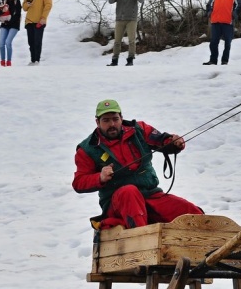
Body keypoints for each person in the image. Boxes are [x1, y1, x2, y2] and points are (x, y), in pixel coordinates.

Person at [73, 99, 204, 230]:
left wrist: (174, 142)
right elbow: (78, 182)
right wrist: (99, 178)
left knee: (190, 212)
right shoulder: (87, 149)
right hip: (118, 203)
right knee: (129, 191)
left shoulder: (138, 130)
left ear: (121, 118)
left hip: (151, 195)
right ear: (97, 122)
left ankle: (212, 242)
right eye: (106, 120)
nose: (112, 124)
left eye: (115, 119)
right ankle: (143, 241)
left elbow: (163, 140)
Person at [203, 0, 241, 66]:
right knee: (213, 42)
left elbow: (240, 6)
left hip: (228, 22)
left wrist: (234, 14)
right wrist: (209, 12)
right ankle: (213, 61)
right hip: (215, 21)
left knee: (227, 43)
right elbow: (209, 4)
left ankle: (224, 61)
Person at [107, 0, 144, 66]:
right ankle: (114, 61)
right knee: (117, 41)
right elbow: (110, 1)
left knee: (132, 40)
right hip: (120, 19)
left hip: (131, 19)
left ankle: (130, 60)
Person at [22, 0, 53, 66]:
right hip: (29, 21)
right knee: (31, 42)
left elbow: (48, 5)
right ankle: (32, 60)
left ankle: (37, 61)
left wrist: (44, 17)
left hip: (40, 20)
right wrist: (27, 4)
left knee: (37, 41)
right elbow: (24, 7)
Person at [0, 0, 21, 67]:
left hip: (14, 25)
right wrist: (0, 10)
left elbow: (17, 15)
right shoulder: (4, 1)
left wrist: (9, 21)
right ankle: (2, 62)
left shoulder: (17, 2)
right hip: (4, 25)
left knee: (8, 42)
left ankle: (9, 62)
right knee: (1, 43)